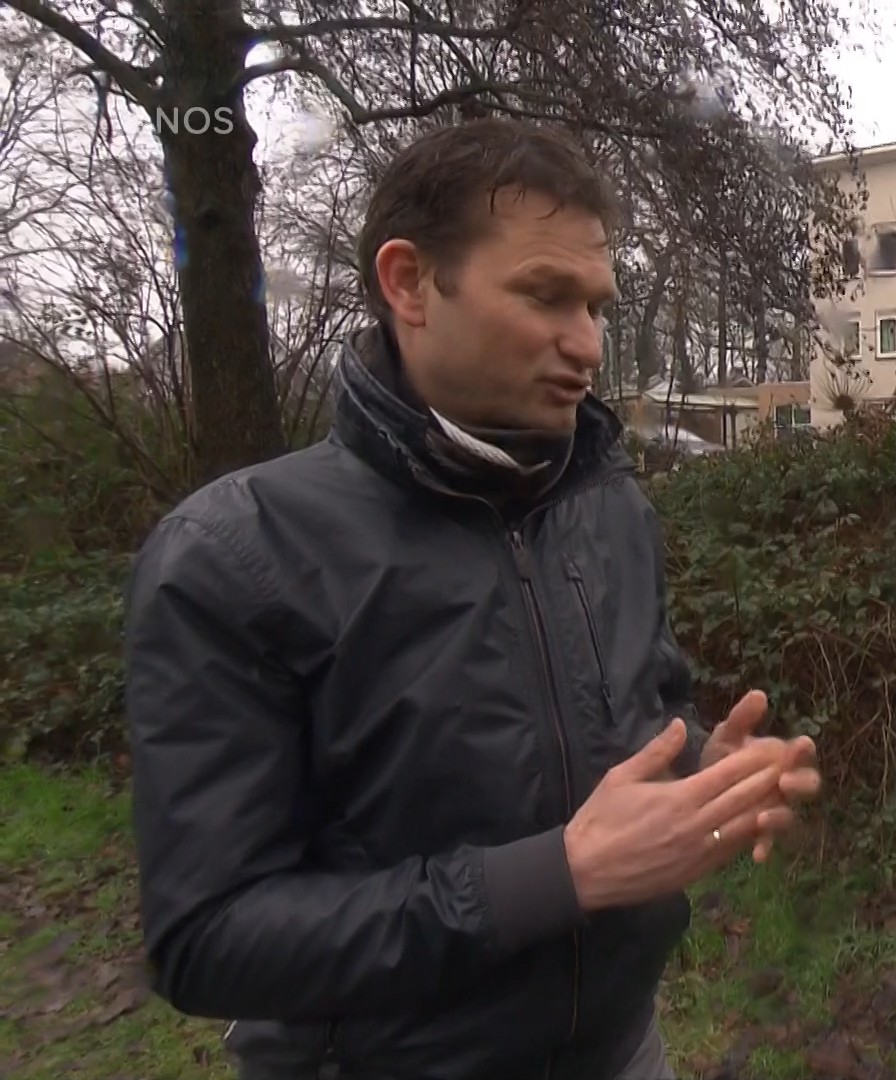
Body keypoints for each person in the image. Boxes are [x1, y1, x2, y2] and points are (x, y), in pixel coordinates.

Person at [121, 117, 820, 1080]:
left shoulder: (609, 507)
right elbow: (207, 940)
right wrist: (557, 877)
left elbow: (642, 723)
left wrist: (707, 771)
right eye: (546, 296)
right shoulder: (235, 554)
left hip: (625, 1054)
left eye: (597, 306)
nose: (587, 343)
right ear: (409, 283)